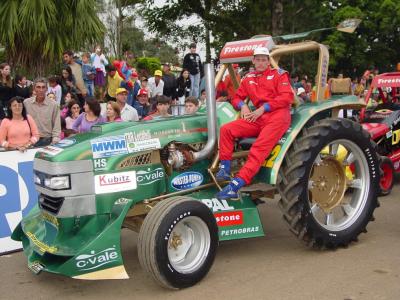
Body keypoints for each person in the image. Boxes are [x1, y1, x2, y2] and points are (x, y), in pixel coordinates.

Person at [215, 47, 293, 200]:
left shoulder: (279, 74)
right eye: (258, 59)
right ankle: (224, 168)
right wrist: (243, 106)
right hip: (258, 116)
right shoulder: (248, 78)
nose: (261, 62)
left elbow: (286, 98)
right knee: (226, 129)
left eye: (264, 59)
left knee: (257, 150)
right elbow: (236, 98)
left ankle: (235, 186)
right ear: (253, 60)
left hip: (277, 117)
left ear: (268, 61)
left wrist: (264, 108)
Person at [24, 78, 61, 146]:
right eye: (38, 87)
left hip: (47, 140)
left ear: (46, 89)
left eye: (43, 87)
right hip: (30, 139)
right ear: (34, 89)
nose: (41, 90)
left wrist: (55, 139)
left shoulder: (54, 105)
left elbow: (57, 124)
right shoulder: (26, 103)